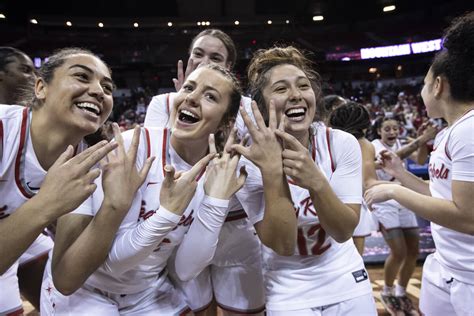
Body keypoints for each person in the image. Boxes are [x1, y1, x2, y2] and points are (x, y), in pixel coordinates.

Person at [179, 46, 377, 315]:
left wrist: (316, 181)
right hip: (287, 286)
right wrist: (273, 172)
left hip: (345, 277)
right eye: (281, 89)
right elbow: (283, 244)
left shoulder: (341, 143)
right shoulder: (248, 162)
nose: (296, 95)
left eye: (303, 86)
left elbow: (343, 231)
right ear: (261, 106)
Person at [42, 63, 248, 315]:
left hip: (146, 292)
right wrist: (167, 213)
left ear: (225, 121)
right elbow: (114, 265)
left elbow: (185, 270)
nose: (191, 98)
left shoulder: (219, 174)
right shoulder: (132, 148)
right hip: (85, 287)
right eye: (188, 88)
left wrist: (216, 201)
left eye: (210, 96)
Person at [144, 28, 264, 315]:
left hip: (236, 229)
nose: (203, 60)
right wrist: (190, 100)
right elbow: (158, 166)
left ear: (229, 67)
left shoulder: (248, 109)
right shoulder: (164, 103)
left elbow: (254, 170)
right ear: (188, 58)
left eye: (215, 57)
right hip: (184, 230)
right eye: (198, 53)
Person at [0, 48, 126, 315]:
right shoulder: (3, 128)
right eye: (82, 76)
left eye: (107, 87)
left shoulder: (89, 161)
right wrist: (46, 205)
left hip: (23, 230)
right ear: (41, 88)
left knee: (75, 305)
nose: (98, 91)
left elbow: (67, 279)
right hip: (20, 225)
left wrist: (115, 206)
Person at [365, 12, 474, 316]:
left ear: (438, 85)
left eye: (424, 84)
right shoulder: (451, 132)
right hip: (448, 264)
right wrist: (400, 175)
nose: (421, 92)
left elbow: (468, 217)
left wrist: (394, 191)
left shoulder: (468, 131)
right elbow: (442, 193)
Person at [369, 115, 436, 315]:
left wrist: (422, 142)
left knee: (413, 251)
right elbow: (391, 159)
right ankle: (387, 291)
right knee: (398, 251)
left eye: (395, 129)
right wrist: (421, 139)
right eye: (387, 129)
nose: (392, 132)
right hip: (384, 200)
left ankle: (401, 292)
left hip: (403, 198)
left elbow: (421, 159)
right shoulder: (373, 146)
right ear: (379, 130)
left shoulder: (402, 142)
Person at [328, 101, 380, 256]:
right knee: (354, 260)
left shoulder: (325, 139)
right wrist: (401, 185)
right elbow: (368, 183)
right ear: (365, 125)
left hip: (325, 203)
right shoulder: (364, 144)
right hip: (351, 204)